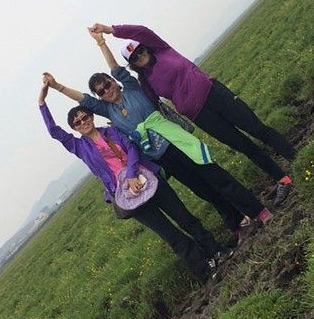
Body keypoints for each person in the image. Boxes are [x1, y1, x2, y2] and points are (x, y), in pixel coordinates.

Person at [47, 39, 268, 242]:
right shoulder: (108, 111)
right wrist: (57, 87)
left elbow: (115, 67)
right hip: (160, 156)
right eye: (101, 92)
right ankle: (237, 223)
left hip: (177, 141)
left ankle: (259, 211)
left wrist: (102, 43)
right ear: (100, 97)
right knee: (202, 189)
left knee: (215, 175)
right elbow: (83, 99)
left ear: (114, 82)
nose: (107, 91)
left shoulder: (131, 87)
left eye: (107, 85)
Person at [36, 75, 219, 278]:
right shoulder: (78, 147)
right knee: (169, 234)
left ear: (91, 117)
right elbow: (54, 131)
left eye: (85, 117)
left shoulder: (112, 131)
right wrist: (42, 102)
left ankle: (215, 250)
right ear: (75, 128)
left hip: (147, 178)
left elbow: (131, 148)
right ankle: (204, 269)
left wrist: (131, 174)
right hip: (127, 196)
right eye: (77, 122)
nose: (83, 122)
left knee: (184, 217)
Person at [100, 22, 295, 201]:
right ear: (132, 63)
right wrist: (123, 116)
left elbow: (141, 31)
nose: (140, 56)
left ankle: (293, 156)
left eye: (140, 50)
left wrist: (111, 30)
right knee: (243, 145)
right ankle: (282, 178)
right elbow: (149, 107)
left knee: (257, 129)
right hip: (200, 116)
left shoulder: (162, 49)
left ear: (146, 46)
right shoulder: (146, 81)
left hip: (215, 94)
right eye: (134, 57)